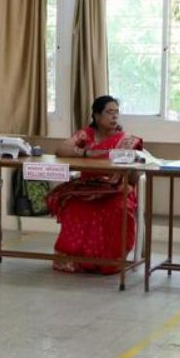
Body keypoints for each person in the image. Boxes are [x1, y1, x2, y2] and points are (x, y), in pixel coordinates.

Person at [47, 95, 144, 273]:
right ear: (97, 116)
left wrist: (128, 175)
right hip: (87, 187)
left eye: (117, 112)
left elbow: (134, 174)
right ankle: (75, 260)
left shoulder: (127, 141)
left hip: (117, 189)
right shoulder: (86, 135)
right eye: (109, 112)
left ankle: (109, 262)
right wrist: (85, 153)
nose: (114, 117)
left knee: (117, 208)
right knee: (74, 205)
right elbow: (61, 149)